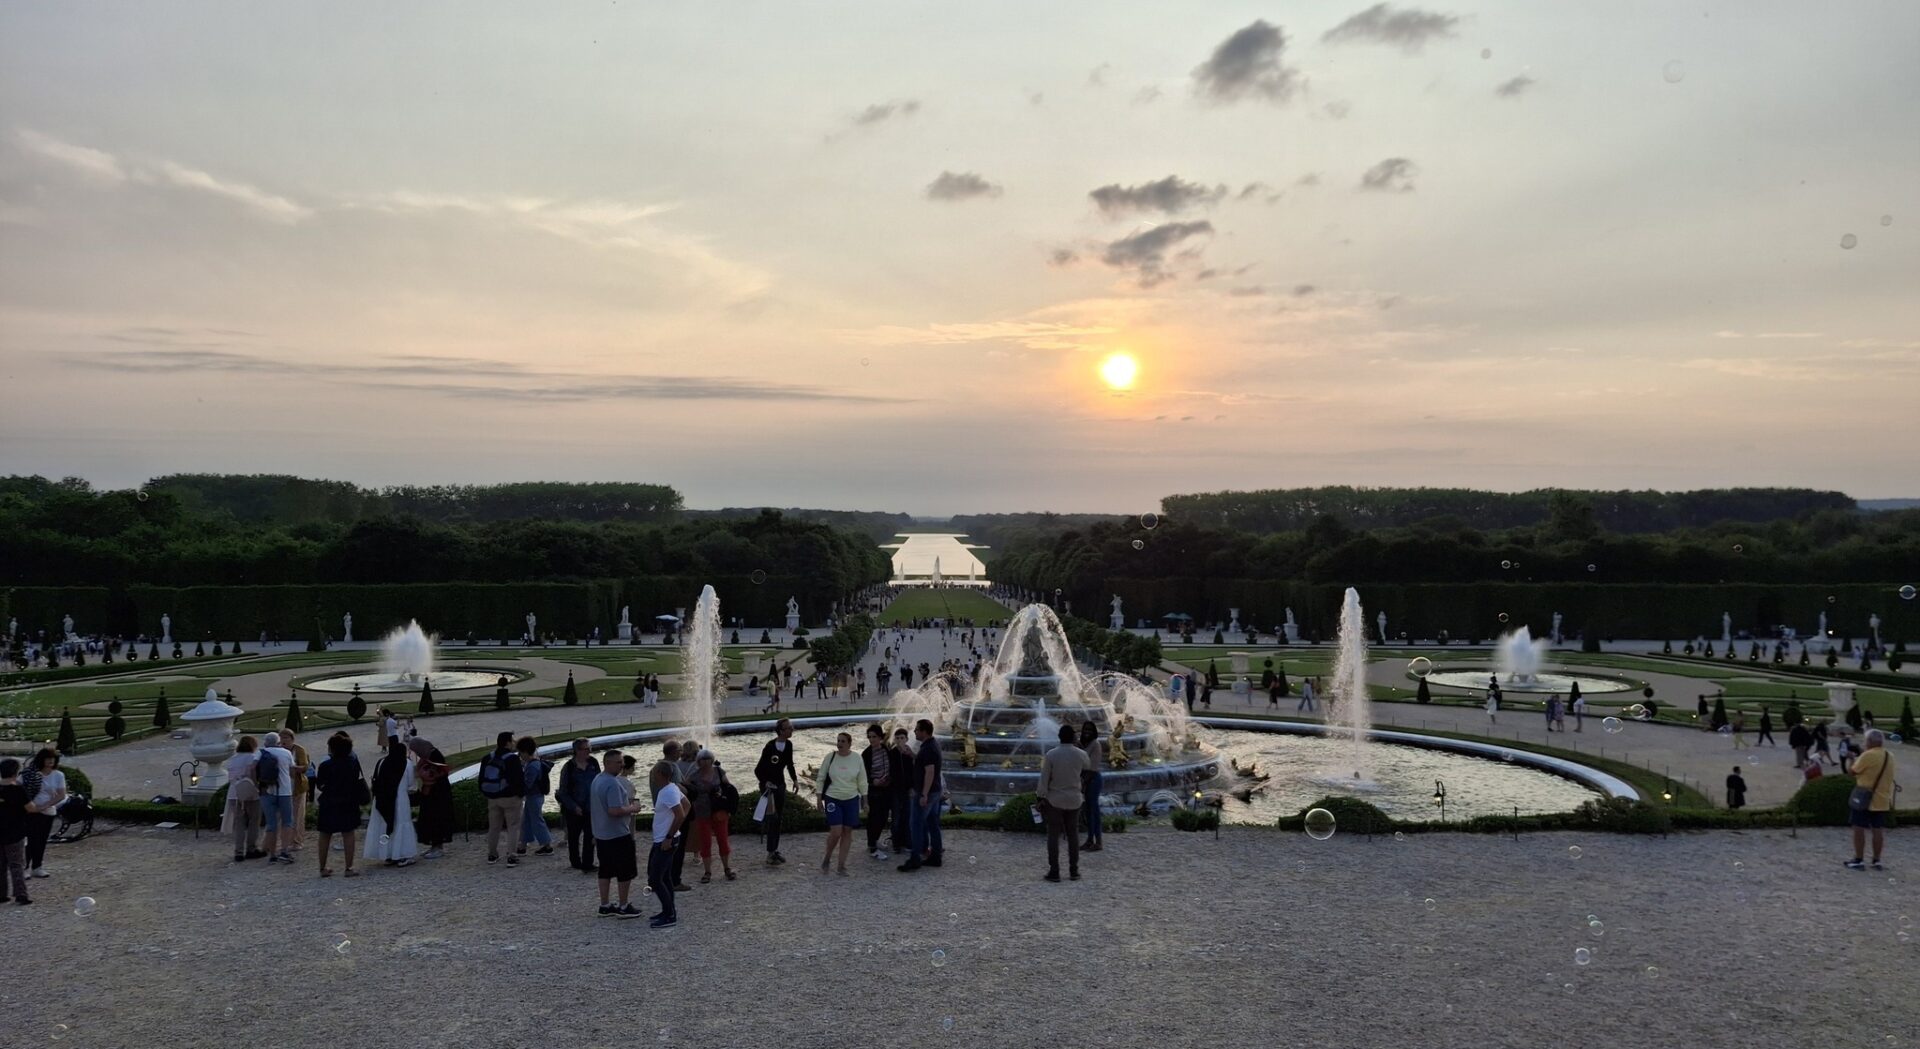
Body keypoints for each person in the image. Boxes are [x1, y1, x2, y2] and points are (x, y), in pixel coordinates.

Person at [590, 749, 645, 919]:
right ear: (607, 763)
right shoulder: (612, 783)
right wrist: (633, 808)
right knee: (625, 870)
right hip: (617, 833)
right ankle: (623, 906)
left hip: (601, 833)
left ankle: (605, 905)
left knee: (605, 870)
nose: (622, 765)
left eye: (622, 762)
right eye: (618, 762)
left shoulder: (597, 779)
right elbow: (614, 810)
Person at [1037, 723, 1089, 882]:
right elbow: (1087, 769)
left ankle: (1054, 871)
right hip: (1074, 799)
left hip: (1055, 799)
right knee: (1073, 835)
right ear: (1073, 737)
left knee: (1053, 835)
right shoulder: (1081, 754)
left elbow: (1044, 779)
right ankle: (1074, 870)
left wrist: (1040, 797)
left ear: (1059, 737)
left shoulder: (1051, 755)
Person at [1844, 729, 1897, 871]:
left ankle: (1859, 859)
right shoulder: (1889, 755)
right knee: (1877, 829)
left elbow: (1852, 772)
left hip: (1864, 797)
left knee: (1858, 828)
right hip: (1882, 798)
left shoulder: (1867, 755)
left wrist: (1851, 758)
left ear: (1869, 742)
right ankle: (1876, 860)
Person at [313, 733, 365, 878]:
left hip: (329, 802)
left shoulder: (325, 765)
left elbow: (320, 785)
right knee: (348, 834)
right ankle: (349, 868)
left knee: (325, 834)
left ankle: (322, 868)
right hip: (348, 801)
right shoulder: (353, 763)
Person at [816, 731, 867, 876]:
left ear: (850, 743)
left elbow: (862, 780)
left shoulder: (857, 758)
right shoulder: (830, 757)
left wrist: (865, 799)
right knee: (836, 831)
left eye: (843, 741)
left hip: (851, 798)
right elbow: (821, 778)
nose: (839, 744)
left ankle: (841, 865)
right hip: (833, 797)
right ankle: (827, 857)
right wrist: (819, 798)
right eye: (838, 741)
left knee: (847, 831)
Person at [647, 760, 690, 928]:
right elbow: (687, 805)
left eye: (654, 772)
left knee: (655, 879)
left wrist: (669, 836)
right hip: (662, 839)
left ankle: (670, 914)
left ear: (660, 774)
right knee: (665, 877)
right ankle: (668, 910)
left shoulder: (667, 792)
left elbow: (679, 814)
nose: (652, 776)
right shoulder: (672, 788)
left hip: (665, 841)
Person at [898, 718, 944, 872]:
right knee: (932, 824)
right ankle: (936, 856)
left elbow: (929, 771)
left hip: (927, 793)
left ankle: (915, 858)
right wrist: (913, 755)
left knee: (916, 824)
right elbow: (925, 763)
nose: (914, 732)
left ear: (924, 731)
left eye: (917, 729)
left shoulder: (929, 748)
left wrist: (923, 794)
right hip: (935, 791)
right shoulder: (931, 745)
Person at [364, 740, 418, 867]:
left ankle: (388, 854)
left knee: (385, 825)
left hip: (383, 799)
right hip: (400, 799)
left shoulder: (381, 762)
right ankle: (404, 854)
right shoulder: (407, 763)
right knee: (401, 825)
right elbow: (410, 783)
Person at [754, 718, 800, 866]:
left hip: (780, 785)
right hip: (768, 788)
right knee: (772, 818)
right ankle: (770, 853)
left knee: (778, 819)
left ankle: (774, 850)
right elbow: (758, 769)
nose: (792, 729)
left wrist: (795, 780)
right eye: (789, 728)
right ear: (781, 730)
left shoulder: (789, 745)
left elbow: (789, 764)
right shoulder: (769, 747)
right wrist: (765, 782)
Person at [686, 749, 736, 883]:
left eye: (708, 758)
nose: (706, 761)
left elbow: (729, 788)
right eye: (704, 759)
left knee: (723, 840)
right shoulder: (694, 775)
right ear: (699, 761)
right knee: (705, 842)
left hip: (719, 811)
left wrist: (728, 805)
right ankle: (707, 871)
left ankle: (727, 868)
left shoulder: (719, 772)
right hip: (702, 812)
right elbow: (685, 788)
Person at [478, 730, 525, 865]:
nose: (514, 743)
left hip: (492, 797)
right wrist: (520, 794)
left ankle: (492, 855)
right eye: (512, 740)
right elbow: (518, 780)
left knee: (494, 827)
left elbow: (481, 779)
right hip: (510, 798)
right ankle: (512, 855)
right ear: (508, 743)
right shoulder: (513, 758)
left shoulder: (487, 757)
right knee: (513, 826)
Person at [557, 738, 600, 872]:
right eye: (586, 748)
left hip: (590, 806)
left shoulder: (593, 762)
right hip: (573, 808)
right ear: (577, 751)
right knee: (573, 836)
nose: (589, 751)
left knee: (590, 835)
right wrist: (573, 806)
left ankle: (588, 863)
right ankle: (575, 861)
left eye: (589, 748)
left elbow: (599, 781)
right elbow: (563, 791)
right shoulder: (569, 767)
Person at [408, 737, 454, 858]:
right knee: (429, 818)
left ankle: (438, 847)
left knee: (436, 818)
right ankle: (433, 846)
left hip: (438, 793)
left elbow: (436, 773)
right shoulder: (428, 755)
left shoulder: (435, 756)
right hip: (431, 792)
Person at [257, 732, 297, 864]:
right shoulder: (286, 753)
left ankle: (272, 854)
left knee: (271, 824)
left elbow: (252, 768)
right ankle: (284, 851)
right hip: (284, 790)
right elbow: (292, 770)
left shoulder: (260, 753)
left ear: (265, 742)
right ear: (278, 742)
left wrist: (256, 784)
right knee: (287, 822)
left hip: (266, 791)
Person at [1, 757, 37, 904]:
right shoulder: (18, 790)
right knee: (16, 865)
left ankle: (1, 894)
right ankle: (20, 894)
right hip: (15, 831)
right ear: (15, 773)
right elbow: (31, 808)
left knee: (0, 865)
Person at [224, 736, 265, 862]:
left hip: (234, 792)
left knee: (239, 823)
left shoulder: (232, 759)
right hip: (251, 792)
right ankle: (251, 849)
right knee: (253, 821)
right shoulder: (253, 758)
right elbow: (254, 775)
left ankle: (239, 851)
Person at [516, 736, 554, 856]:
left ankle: (547, 845)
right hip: (536, 796)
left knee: (536, 820)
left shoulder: (532, 766)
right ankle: (522, 845)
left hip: (534, 796)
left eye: (520, 752)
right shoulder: (535, 763)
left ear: (525, 752)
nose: (519, 755)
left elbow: (527, 784)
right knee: (527, 820)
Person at [861, 724, 894, 859]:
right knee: (874, 817)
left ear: (880, 737)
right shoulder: (866, 753)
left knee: (884, 816)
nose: (872, 740)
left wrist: (889, 779)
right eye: (869, 737)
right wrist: (872, 781)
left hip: (886, 787)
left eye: (874, 737)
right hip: (874, 789)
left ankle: (875, 840)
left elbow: (891, 766)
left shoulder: (886, 749)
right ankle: (872, 845)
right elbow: (863, 773)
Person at [281, 728, 311, 850]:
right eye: (281, 738)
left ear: (292, 739)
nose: (283, 741)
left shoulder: (299, 750)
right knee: (285, 815)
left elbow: (305, 767)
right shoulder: (279, 750)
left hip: (297, 786)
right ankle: (285, 840)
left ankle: (297, 841)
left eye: (286, 738)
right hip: (283, 787)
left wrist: (293, 768)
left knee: (298, 815)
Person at [1079, 721, 1105, 852]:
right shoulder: (1084, 744)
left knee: (1094, 811)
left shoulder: (1096, 744)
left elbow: (1093, 767)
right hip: (1085, 779)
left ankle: (1098, 842)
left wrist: (1084, 784)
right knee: (1088, 811)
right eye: (1085, 729)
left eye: (1089, 730)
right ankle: (1089, 840)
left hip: (1093, 780)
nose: (1087, 732)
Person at [888, 727, 915, 853]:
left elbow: (915, 770)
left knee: (908, 817)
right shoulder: (892, 753)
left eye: (902, 738)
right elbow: (891, 771)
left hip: (908, 789)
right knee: (896, 818)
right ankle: (896, 844)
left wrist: (913, 788)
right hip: (895, 790)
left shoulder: (910, 753)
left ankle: (908, 842)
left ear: (907, 739)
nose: (899, 740)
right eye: (897, 738)